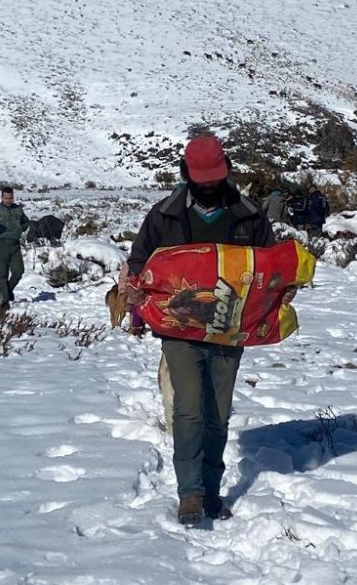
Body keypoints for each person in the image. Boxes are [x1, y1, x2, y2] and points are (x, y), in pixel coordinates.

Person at [124, 135, 298, 525]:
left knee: (217, 413)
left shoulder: (248, 214)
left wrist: (282, 291)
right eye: (200, 178)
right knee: (188, 409)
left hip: (229, 330)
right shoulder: (164, 214)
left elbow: (271, 268)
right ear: (185, 173)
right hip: (180, 330)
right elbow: (139, 260)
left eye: (214, 177)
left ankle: (212, 490)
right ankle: (190, 493)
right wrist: (136, 288)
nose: (207, 185)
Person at [0, 185, 30, 310]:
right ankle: (4, 300)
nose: (9, 200)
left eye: (10, 198)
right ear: (2, 197)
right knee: (1, 274)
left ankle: (6, 293)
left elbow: (26, 221)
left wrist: (22, 227)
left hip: (15, 244)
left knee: (18, 271)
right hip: (1, 244)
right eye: (6, 198)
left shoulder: (18, 209)